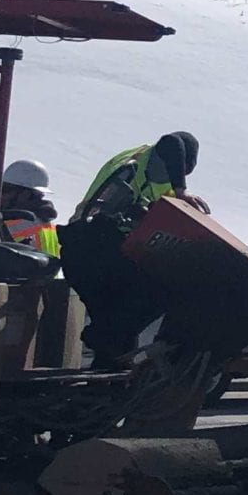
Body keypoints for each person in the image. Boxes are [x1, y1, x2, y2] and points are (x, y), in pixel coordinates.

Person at [67, 132, 203, 363]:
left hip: (86, 247)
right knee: (155, 293)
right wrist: (181, 189)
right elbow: (172, 141)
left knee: (117, 323)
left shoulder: (139, 166)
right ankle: (101, 341)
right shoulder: (149, 159)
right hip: (91, 244)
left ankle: (107, 378)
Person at [72, 132, 203, 227]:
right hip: (85, 229)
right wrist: (181, 190)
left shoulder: (167, 187)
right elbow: (172, 142)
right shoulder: (130, 166)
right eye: (175, 169)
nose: (174, 176)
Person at [0, 158, 62, 261]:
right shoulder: (46, 224)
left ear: (26, 194)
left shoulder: (15, 223)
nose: (1, 195)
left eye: (6, 189)